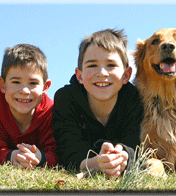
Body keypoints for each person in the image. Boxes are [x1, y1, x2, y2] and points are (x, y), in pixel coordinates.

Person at [53, 29, 144, 177]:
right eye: (92, 65)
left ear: (126, 75)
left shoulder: (135, 100)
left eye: (111, 65)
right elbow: (66, 149)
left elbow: (137, 144)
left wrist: (122, 157)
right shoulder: (66, 98)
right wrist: (95, 163)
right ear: (79, 75)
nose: (102, 73)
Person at [0, 44, 58, 169]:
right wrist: (11, 156)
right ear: (3, 85)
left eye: (33, 83)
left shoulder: (51, 112)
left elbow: (58, 154)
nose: (25, 91)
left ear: (45, 87)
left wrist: (41, 158)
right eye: (16, 82)